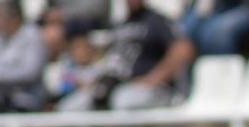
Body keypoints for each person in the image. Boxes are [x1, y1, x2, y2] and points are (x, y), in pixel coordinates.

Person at [62, 0, 191, 111]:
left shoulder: (156, 21)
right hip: (116, 86)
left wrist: (153, 78)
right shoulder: (120, 24)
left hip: (147, 90)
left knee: (122, 101)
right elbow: (110, 60)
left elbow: (183, 49)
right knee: (73, 106)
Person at [0, 2, 51, 114]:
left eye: (0, 18)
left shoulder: (32, 36)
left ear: (14, 18)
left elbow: (30, 73)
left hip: (25, 103)